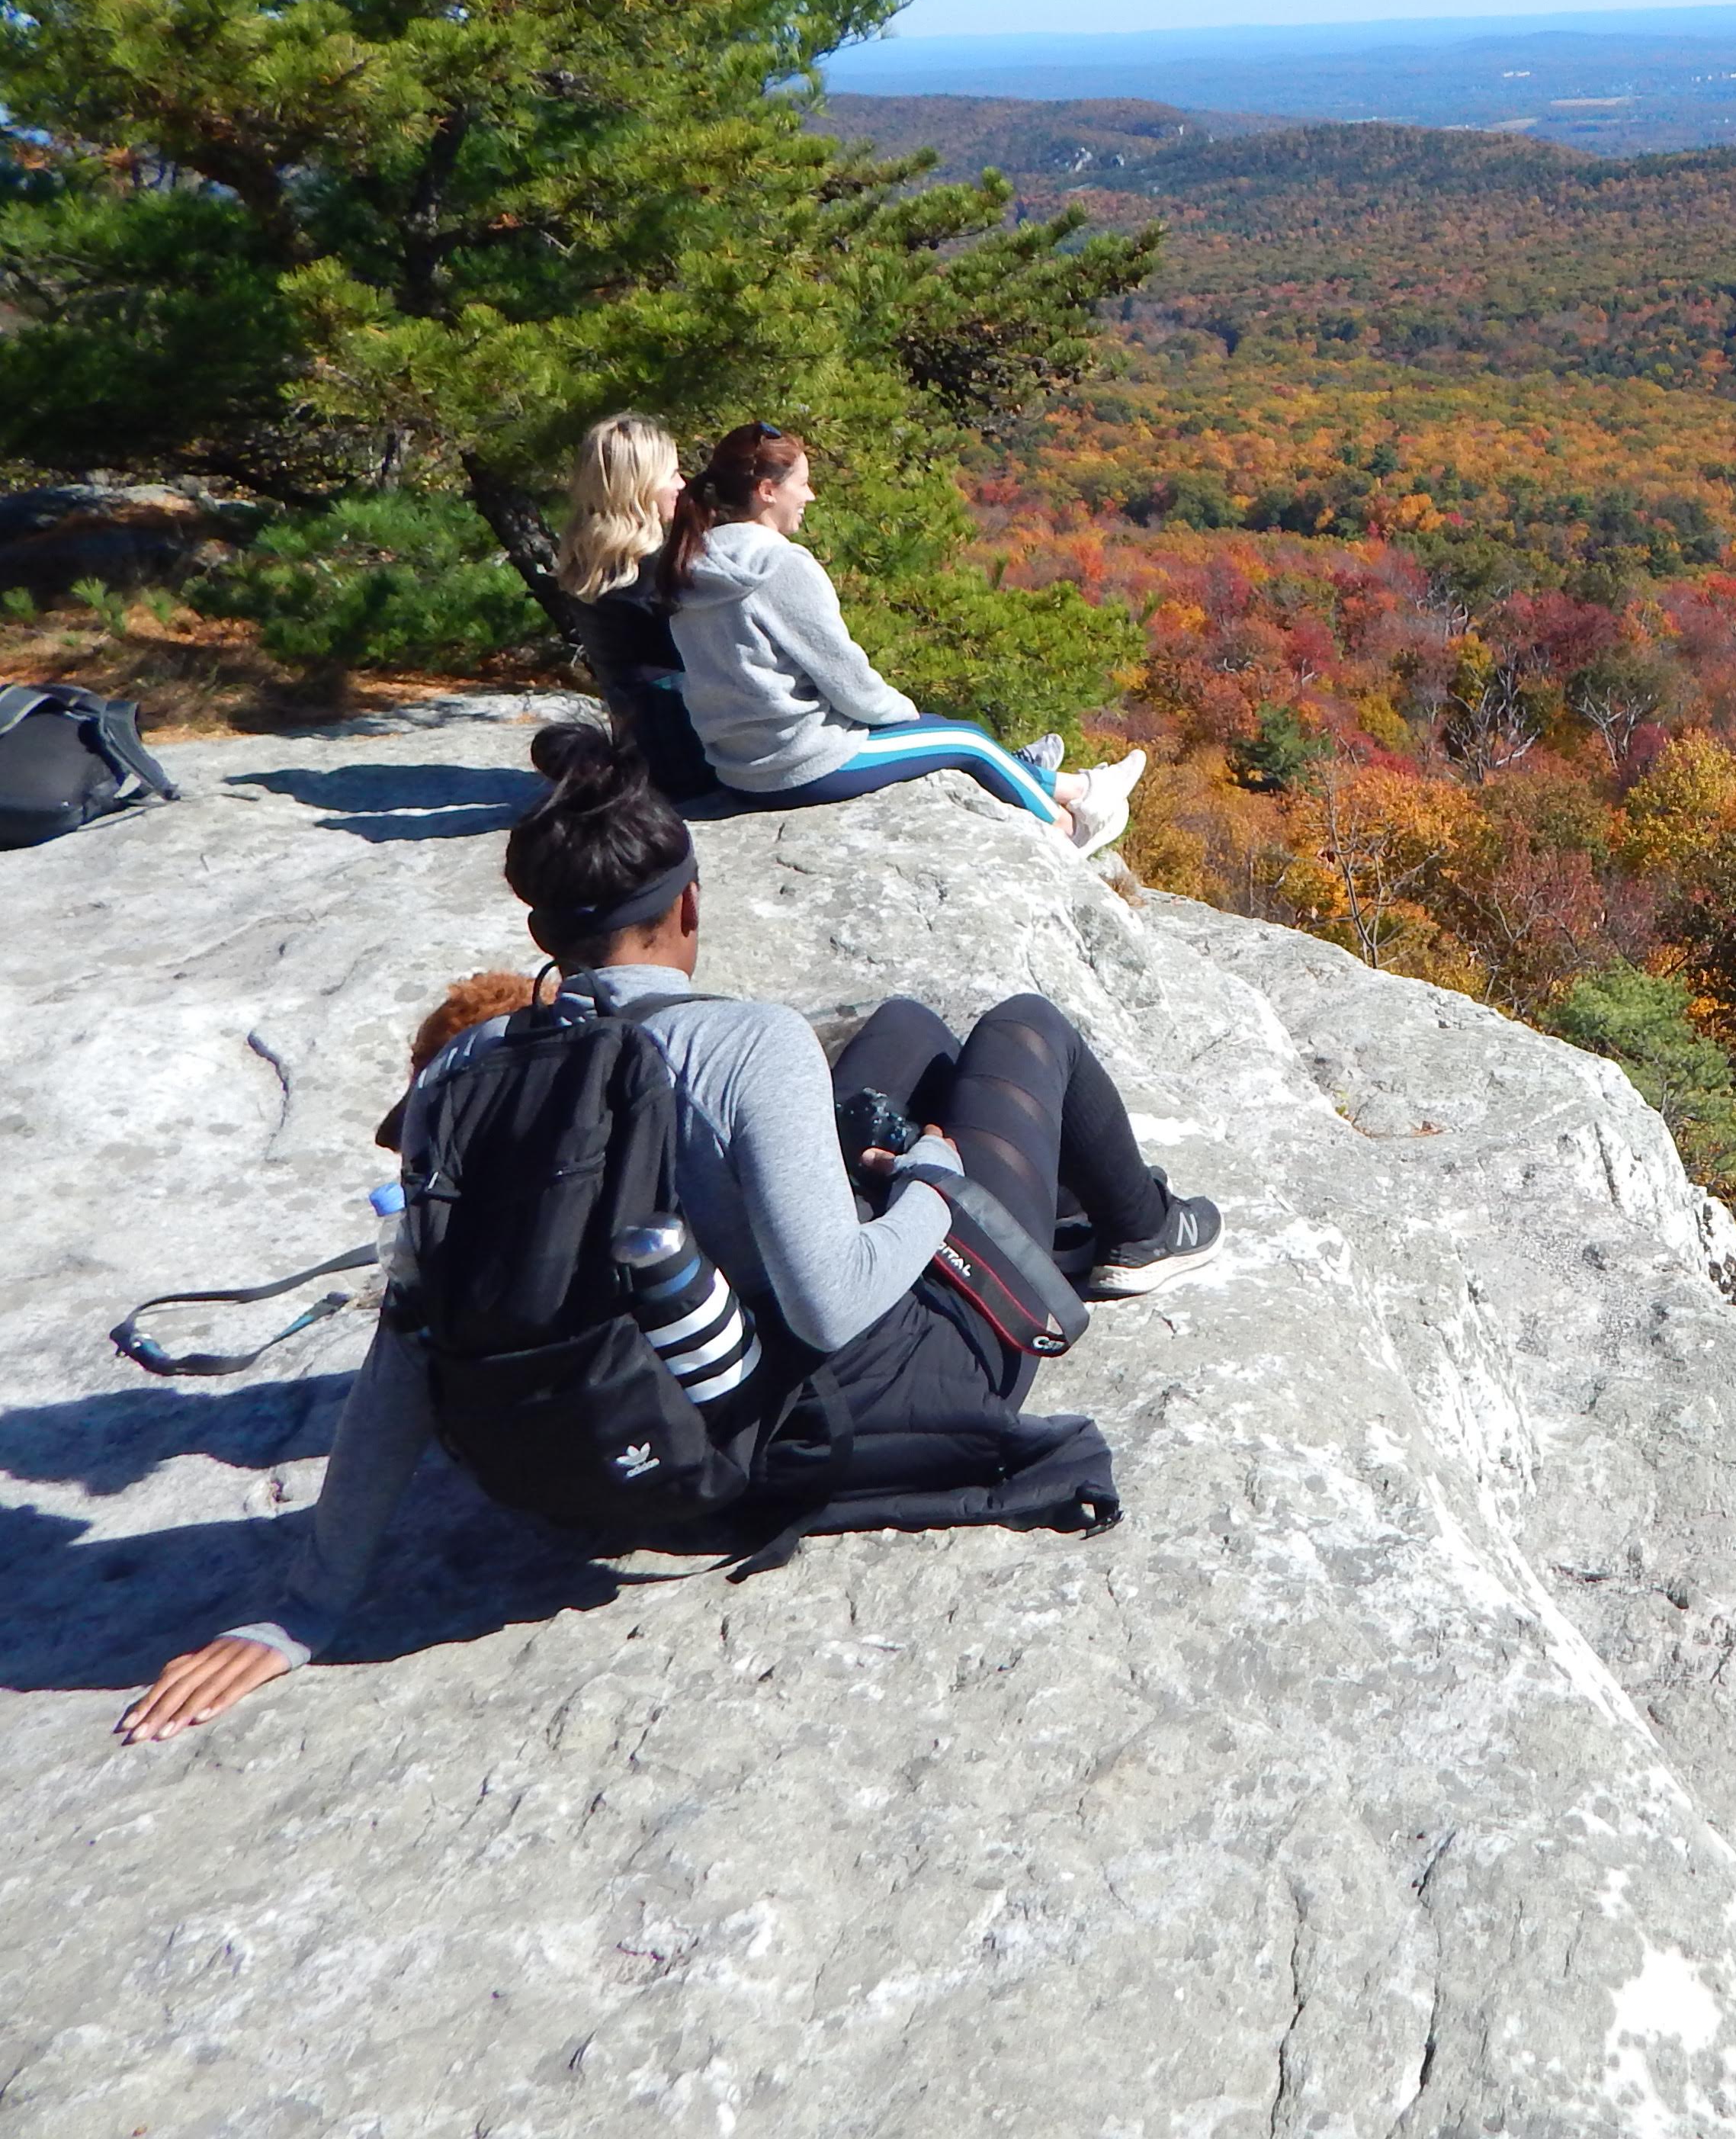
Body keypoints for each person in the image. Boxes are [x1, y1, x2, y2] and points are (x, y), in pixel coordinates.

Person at [115, 726, 1221, 1745]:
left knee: (908, 1029)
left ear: (546, 935)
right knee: (1023, 1026)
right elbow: (834, 1303)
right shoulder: (750, 1044)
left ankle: (1008, 1182)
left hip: (623, 1428)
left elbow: (412, 1334)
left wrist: (305, 1609)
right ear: (689, 904)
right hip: (840, 1409)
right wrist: (931, 1185)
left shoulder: (459, 1074)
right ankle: (1147, 1230)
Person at [660, 422, 1144, 857]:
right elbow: (845, 678)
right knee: (967, 740)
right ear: (768, 491)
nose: (811, 496)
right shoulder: (781, 565)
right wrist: (904, 714)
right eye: (802, 484)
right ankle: (1066, 831)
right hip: (799, 765)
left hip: (738, 765)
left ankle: (1075, 788)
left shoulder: (691, 560)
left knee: (944, 734)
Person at [557, 413, 716, 800]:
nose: (682, 484)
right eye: (672, 474)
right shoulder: (653, 575)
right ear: (640, 486)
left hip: (639, 756)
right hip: (691, 760)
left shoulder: (591, 560)